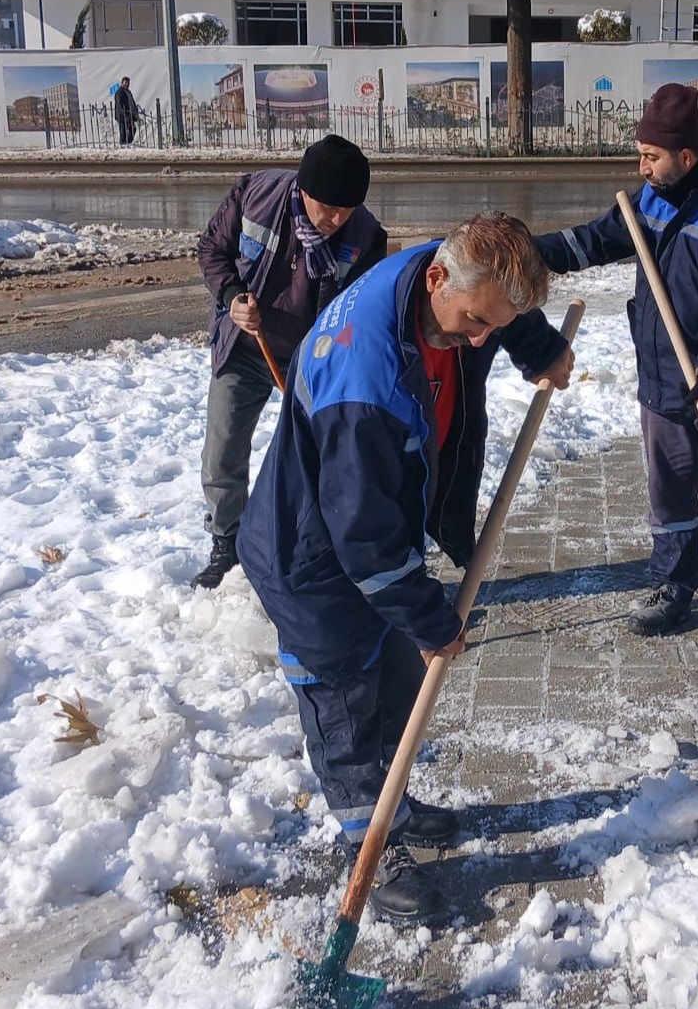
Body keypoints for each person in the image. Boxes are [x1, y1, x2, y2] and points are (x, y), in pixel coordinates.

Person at [237, 213, 573, 924]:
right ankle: (370, 842)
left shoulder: (447, 274)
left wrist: (538, 345)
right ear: (438, 279)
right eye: (474, 323)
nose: (479, 339)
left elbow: (497, 307)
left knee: (396, 682)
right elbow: (365, 540)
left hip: (373, 533)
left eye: (493, 326)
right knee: (343, 700)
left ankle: (396, 804)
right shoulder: (366, 383)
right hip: (313, 556)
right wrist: (431, 619)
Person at [533, 82, 698, 657]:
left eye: (651, 156)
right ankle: (674, 586)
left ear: (686, 156)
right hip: (662, 378)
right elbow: (597, 239)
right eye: (640, 155)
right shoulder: (648, 199)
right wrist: (534, 249)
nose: (641, 168)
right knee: (668, 493)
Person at [192, 135, 387, 588]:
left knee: (316, 457)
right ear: (304, 190)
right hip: (246, 346)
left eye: (347, 210)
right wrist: (232, 297)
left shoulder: (366, 235)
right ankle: (226, 542)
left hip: (311, 361)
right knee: (222, 451)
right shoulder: (256, 196)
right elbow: (211, 250)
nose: (337, 220)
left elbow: (364, 307)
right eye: (329, 208)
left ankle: (315, 544)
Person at [113, 76, 141, 145]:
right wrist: (125, 115)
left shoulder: (128, 92)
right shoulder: (119, 92)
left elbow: (132, 103)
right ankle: (123, 144)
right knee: (123, 132)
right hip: (122, 116)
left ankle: (127, 143)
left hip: (129, 115)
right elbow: (120, 106)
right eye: (125, 82)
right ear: (122, 83)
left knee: (133, 129)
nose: (127, 84)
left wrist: (135, 114)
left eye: (128, 83)